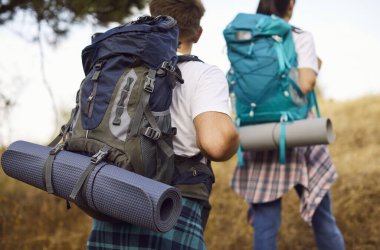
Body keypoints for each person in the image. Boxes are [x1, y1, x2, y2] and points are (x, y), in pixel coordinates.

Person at [86, 0, 240, 249]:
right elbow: (217, 144)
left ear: (155, 18)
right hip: (171, 205)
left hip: (111, 197)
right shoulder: (203, 74)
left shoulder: (123, 68)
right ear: (198, 33)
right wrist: (234, 135)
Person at [230, 0, 345, 249]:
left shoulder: (245, 38)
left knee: (265, 226)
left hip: (258, 135)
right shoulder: (298, 36)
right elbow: (305, 84)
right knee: (323, 219)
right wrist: (315, 66)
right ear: (290, 4)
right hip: (297, 133)